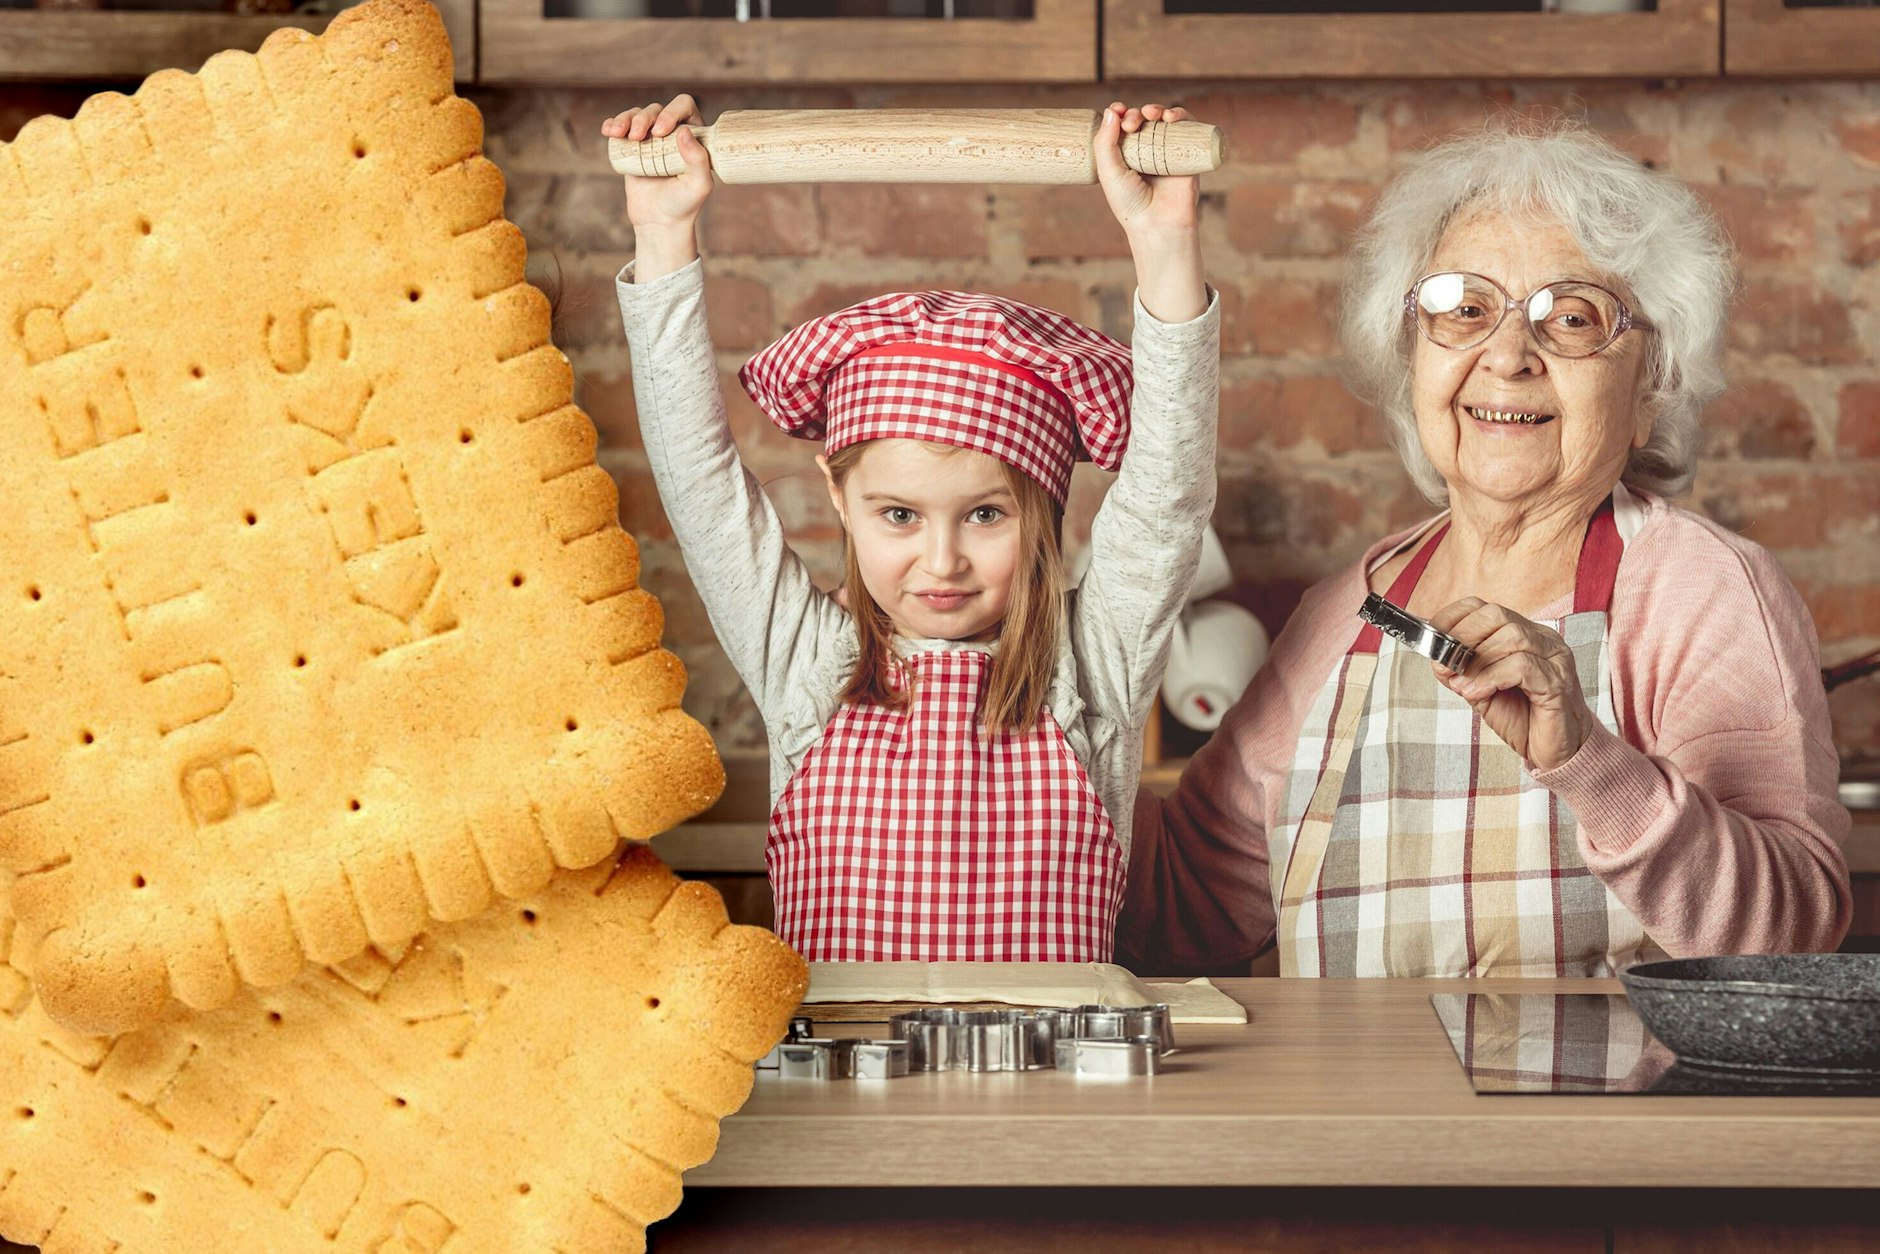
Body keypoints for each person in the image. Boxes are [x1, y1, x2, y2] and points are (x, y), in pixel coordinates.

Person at [1120, 117, 1851, 978]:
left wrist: (1588, 761)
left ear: (1652, 386)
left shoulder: (1698, 588)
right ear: (1412, 360)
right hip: (1353, 1114)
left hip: (1608, 1110)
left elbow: (1791, 942)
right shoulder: (1347, 613)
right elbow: (1183, 913)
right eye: (1463, 310)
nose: (1507, 355)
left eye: (1572, 318)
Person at [607, 96, 1219, 962]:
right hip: (842, 1097)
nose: (943, 560)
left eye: (985, 514)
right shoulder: (806, 663)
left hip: (1053, 1098)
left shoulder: (1093, 669)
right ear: (838, 493)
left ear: (1044, 511)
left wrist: (1164, 241)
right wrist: (664, 238)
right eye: (899, 515)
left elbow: (1168, 492)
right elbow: (698, 481)